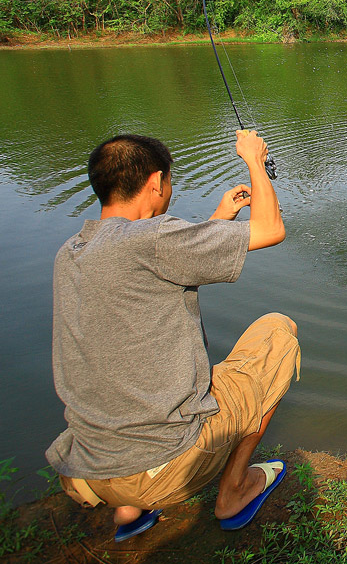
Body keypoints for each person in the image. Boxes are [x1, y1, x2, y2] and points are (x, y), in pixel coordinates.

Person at [46, 130, 300, 540]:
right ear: (155, 182)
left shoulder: (72, 251)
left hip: (86, 470)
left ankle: (129, 512)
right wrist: (254, 159)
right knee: (277, 332)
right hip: (161, 467)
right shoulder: (153, 237)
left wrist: (219, 220)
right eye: (168, 181)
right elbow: (270, 229)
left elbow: (160, 270)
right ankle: (233, 493)